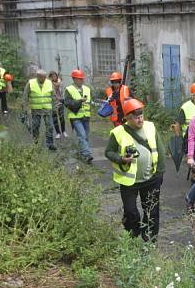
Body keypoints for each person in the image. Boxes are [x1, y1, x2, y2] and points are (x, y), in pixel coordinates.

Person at [105, 98, 165, 242]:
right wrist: (121, 159)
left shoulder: (150, 127)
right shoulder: (117, 132)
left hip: (151, 179)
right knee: (131, 211)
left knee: (151, 211)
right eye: (136, 117)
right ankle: (132, 235)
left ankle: (150, 238)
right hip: (128, 181)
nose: (140, 119)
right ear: (127, 118)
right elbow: (109, 152)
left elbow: (160, 149)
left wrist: (160, 173)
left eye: (141, 116)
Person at [63, 69, 93, 163]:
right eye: (79, 79)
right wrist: (79, 101)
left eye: (82, 79)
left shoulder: (87, 89)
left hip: (86, 116)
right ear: (74, 79)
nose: (81, 80)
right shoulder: (69, 89)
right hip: (75, 117)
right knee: (82, 135)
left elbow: (90, 101)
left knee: (86, 136)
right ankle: (87, 155)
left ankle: (81, 152)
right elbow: (67, 103)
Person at [22, 69, 56, 150]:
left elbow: (53, 96)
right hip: (36, 109)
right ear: (38, 76)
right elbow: (25, 96)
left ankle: (50, 143)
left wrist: (55, 107)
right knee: (35, 126)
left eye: (44, 77)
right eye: (42, 77)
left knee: (50, 126)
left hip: (47, 109)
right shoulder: (30, 83)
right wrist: (25, 108)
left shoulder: (49, 83)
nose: (43, 79)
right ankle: (35, 142)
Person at [48, 71, 67, 139]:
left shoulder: (60, 83)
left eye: (55, 76)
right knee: (55, 119)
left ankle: (63, 131)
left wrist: (57, 85)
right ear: (50, 77)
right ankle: (58, 133)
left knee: (62, 118)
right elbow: (51, 93)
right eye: (52, 76)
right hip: (53, 103)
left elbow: (62, 91)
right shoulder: (49, 84)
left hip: (60, 102)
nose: (54, 77)